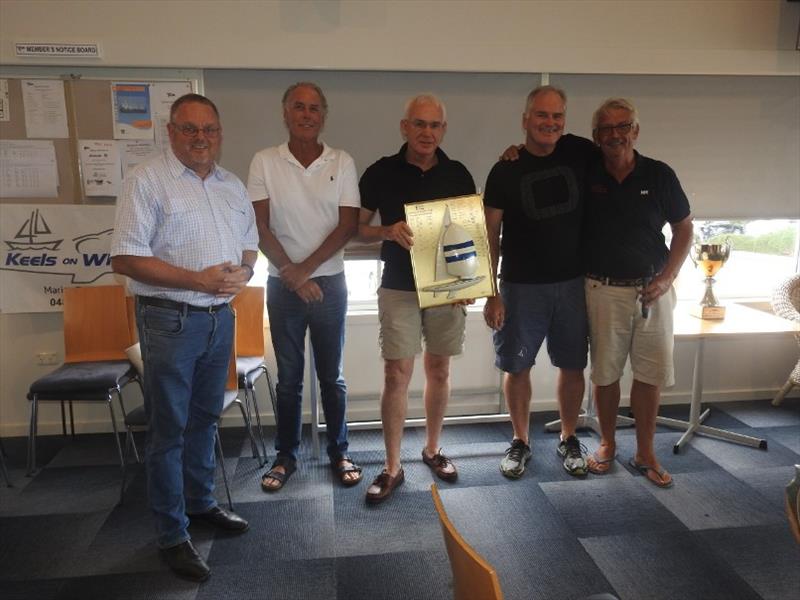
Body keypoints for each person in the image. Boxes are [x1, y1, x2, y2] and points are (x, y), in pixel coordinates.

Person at [111, 93, 257, 582]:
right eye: (190, 129)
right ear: (170, 132)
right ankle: (172, 535)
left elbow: (250, 246)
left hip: (220, 318)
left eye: (209, 129)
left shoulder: (231, 185)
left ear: (220, 133)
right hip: (170, 321)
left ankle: (201, 504)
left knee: (204, 421)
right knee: (169, 430)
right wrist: (198, 280)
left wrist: (242, 273)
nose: (201, 139)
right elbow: (126, 258)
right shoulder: (147, 180)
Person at [358, 94, 475, 504]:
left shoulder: (458, 173)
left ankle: (432, 449)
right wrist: (387, 231)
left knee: (439, 370)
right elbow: (358, 229)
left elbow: (467, 235)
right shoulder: (380, 172)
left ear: (443, 130)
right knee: (396, 375)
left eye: (435, 125)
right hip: (398, 285)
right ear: (405, 127)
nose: (428, 133)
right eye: (420, 124)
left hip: (446, 289)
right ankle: (392, 467)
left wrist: (468, 284)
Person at [247, 82, 362, 492]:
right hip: (281, 286)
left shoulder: (342, 161)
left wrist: (305, 272)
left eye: (315, 108)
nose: (307, 114)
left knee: (333, 377)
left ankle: (339, 451)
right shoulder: (264, 161)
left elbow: (348, 224)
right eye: (299, 107)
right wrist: (290, 274)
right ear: (285, 112)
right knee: (289, 378)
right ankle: (286, 456)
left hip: (330, 284)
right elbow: (258, 226)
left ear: (323, 115)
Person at [483, 85, 596, 479]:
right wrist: (491, 292)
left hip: (572, 284)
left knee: (572, 366)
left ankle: (568, 437)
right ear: (526, 119)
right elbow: (489, 236)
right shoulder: (505, 170)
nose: (550, 123)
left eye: (557, 116)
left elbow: (620, 160)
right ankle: (520, 441)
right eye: (542, 115)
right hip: (519, 286)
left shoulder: (581, 152)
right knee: (517, 367)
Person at [583, 97, 692, 487]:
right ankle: (608, 444)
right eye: (607, 129)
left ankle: (645, 452)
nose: (616, 135)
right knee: (606, 374)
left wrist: (668, 277)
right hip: (603, 289)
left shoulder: (660, 175)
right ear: (596, 137)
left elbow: (684, 228)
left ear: (636, 130)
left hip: (653, 290)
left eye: (623, 126)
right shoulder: (586, 173)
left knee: (650, 375)